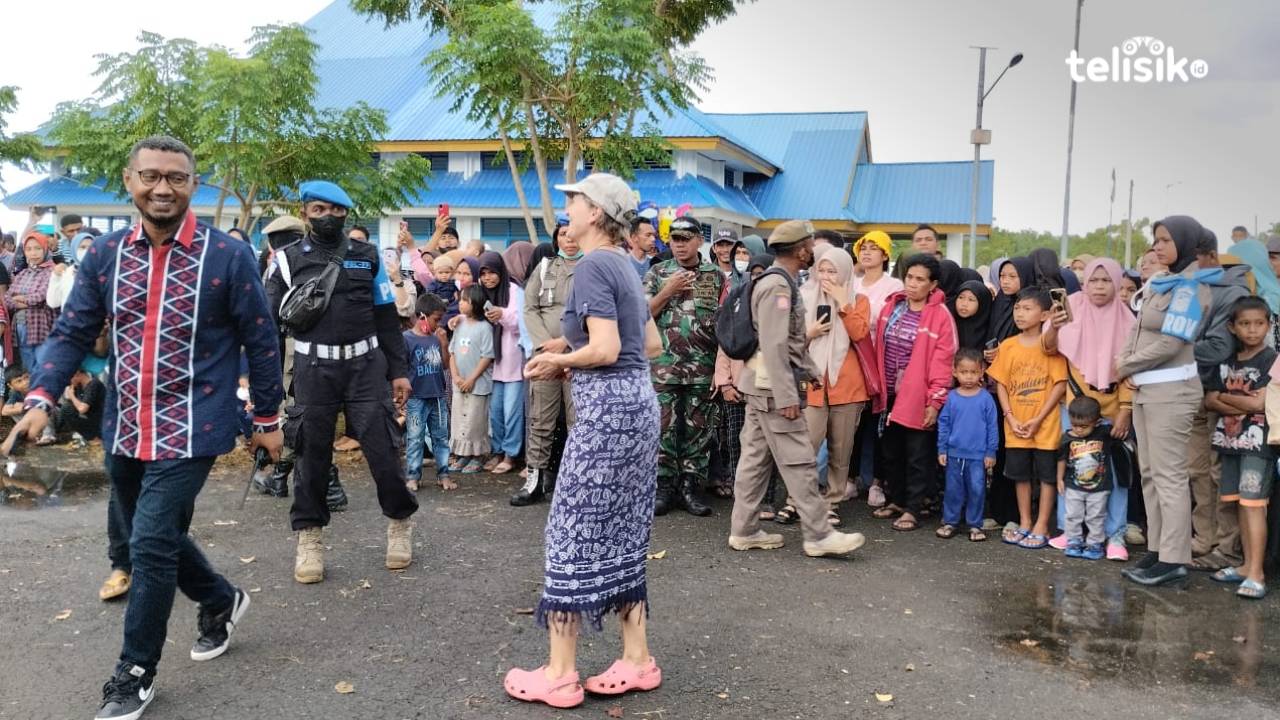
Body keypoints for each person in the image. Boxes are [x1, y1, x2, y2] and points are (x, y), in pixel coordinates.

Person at [1, 135, 285, 720]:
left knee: (150, 544)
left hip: (195, 425)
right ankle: (220, 599)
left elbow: (261, 338)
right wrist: (40, 396)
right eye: (151, 176)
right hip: (126, 423)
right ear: (130, 181)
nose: (163, 187)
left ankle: (134, 673)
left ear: (192, 186)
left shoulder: (227, 256)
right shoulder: (104, 255)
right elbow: (74, 331)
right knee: (145, 536)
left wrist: (267, 418)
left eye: (176, 178)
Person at [504, 173, 664, 710]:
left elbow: (607, 346)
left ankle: (560, 672)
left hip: (607, 413)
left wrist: (560, 360)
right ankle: (637, 659)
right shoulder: (625, 264)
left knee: (569, 532)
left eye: (574, 200)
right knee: (622, 531)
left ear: (595, 212)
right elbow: (650, 342)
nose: (567, 208)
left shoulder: (594, 264)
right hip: (639, 405)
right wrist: (566, 340)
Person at [264, 179, 417, 585]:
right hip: (314, 370)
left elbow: (387, 319)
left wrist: (398, 370)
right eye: (319, 210)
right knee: (311, 457)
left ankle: (400, 524)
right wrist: (264, 387)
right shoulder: (284, 261)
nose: (328, 217)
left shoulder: (366, 257)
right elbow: (268, 327)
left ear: (347, 214)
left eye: (336, 211)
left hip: (366, 366)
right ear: (305, 214)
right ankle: (310, 538)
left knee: (384, 452)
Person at [726, 220, 867, 557]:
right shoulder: (778, 287)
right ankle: (819, 535)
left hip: (761, 385)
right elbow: (774, 346)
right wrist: (788, 394)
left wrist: (809, 370)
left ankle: (743, 530)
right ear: (801, 249)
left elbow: (787, 345)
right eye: (810, 246)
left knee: (755, 461)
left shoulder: (778, 281)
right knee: (801, 461)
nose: (813, 251)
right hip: (773, 389)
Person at [1116, 215, 1218, 588]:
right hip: (1146, 389)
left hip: (1172, 392)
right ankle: (1158, 551)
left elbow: (1173, 342)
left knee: (1170, 476)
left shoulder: (1192, 287)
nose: (1157, 246)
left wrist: (1126, 364)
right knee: (1149, 474)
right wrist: (1124, 363)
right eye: (1155, 240)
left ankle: (1175, 559)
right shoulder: (1163, 282)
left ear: (1186, 243)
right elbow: (1138, 327)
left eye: (1164, 240)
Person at [1042, 258, 1138, 561]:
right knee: (1074, 470)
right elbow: (1049, 348)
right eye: (1094, 280)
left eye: (1106, 280)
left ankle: (1114, 535)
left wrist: (1125, 409)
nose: (1098, 286)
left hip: (1113, 409)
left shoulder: (1128, 320)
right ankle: (1070, 532)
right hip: (1077, 408)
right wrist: (1055, 327)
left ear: (1117, 283)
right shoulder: (1072, 307)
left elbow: (1131, 369)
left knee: (1113, 473)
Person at [644, 215, 724, 517]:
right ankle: (664, 487)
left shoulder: (715, 276)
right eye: (675, 239)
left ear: (699, 241)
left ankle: (691, 487)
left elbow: (724, 325)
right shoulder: (657, 273)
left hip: (702, 368)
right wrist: (668, 290)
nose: (679, 244)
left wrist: (721, 368)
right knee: (663, 428)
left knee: (698, 430)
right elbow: (642, 314)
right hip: (663, 367)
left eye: (686, 238)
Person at [870, 253, 956, 532]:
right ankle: (897, 499)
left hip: (919, 394)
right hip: (889, 393)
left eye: (920, 280)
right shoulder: (892, 307)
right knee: (891, 450)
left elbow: (943, 361)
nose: (913, 284)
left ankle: (913, 508)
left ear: (933, 285)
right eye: (909, 277)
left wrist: (935, 400)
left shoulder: (940, 316)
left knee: (918, 454)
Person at [1183, 238, 1250, 569]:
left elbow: (1219, 349)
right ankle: (1204, 538)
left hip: (1223, 397)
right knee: (1196, 471)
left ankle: (1227, 547)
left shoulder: (1232, 293)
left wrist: (1176, 347)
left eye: (1193, 258)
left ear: (1210, 255)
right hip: (1195, 392)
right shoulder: (1191, 287)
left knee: (1219, 474)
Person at [987, 288, 1067, 548]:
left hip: (1045, 425)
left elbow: (1059, 385)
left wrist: (1039, 418)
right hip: (1016, 425)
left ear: (1045, 314)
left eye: (1028, 308)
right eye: (1018, 308)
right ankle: (1024, 521)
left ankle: (1042, 524)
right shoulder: (1008, 345)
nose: (1020, 313)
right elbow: (1000, 383)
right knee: (1020, 475)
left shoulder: (1051, 349)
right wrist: (1009, 417)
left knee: (1046, 477)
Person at [1206, 296, 1275, 599]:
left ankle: (1258, 574)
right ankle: (1246, 566)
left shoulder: (1271, 359)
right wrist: (1241, 404)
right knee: (1238, 504)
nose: (1252, 330)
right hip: (1230, 442)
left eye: (1259, 323)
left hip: (1257, 446)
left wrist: (1226, 399)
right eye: (1245, 324)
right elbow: (1208, 399)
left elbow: (1261, 402)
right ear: (1232, 327)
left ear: (1268, 325)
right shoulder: (1228, 359)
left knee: (1254, 506)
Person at [798, 245, 870, 527]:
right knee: (806, 445)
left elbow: (860, 334)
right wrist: (811, 332)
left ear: (846, 273)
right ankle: (798, 500)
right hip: (813, 382)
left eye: (833, 271)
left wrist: (843, 304)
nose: (827, 276)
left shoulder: (858, 299)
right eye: (823, 270)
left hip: (847, 386)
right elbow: (791, 341)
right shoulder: (804, 296)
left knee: (841, 451)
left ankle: (831, 502)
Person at [515, 228, 580, 506]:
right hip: (544, 356)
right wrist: (545, 345)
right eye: (563, 234)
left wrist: (568, 343)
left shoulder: (592, 267)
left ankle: (579, 483)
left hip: (580, 356)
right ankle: (535, 481)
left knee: (579, 422)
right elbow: (529, 308)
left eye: (574, 233)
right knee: (540, 420)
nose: (569, 238)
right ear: (557, 239)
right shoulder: (543, 268)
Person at [851, 230, 902, 508]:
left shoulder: (894, 286)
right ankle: (849, 478)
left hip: (882, 361)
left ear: (885, 255)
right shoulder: (852, 284)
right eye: (864, 247)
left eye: (874, 248)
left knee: (879, 424)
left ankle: (877, 482)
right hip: (853, 360)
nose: (867, 252)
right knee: (852, 425)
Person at [935, 348, 999, 541]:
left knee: (977, 490)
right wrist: (942, 448)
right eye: (964, 372)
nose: (969, 377)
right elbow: (943, 424)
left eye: (973, 372)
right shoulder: (952, 397)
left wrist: (991, 452)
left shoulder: (986, 398)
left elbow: (992, 427)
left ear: (982, 372)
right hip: (954, 454)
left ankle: (975, 525)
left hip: (978, 455)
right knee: (953, 489)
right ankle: (950, 522)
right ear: (955, 372)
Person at [477, 251, 525, 475]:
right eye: (483, 273)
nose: (488, 278)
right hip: (492, 365)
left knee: (512, 411)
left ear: (501, 272)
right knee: (495, 412)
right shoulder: (481, 293)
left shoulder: (514, 291)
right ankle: (498, 451)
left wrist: (502, 314)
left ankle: (511, 455)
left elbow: (520, 323)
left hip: (514, 362)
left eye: (492, 272)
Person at [403, 294, 452, 492]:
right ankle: (413, 476)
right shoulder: (407, 339)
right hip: (416, 398)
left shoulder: (436, 338)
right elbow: (401, 368)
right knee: (415, 437)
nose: (438, 324)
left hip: (438, 395)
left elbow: (446, 365)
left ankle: (444, 474)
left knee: (441, 437)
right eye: (436, 319)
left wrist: (444, 344)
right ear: (422, 316)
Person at [1057, 396, 1113, 560]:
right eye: (1074, 425)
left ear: (1096, 422)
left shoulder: (1103, 433)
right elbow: (1061, 459)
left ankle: (1095, 543)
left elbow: (1120, 429)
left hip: (1099, 486)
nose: (1079, 430)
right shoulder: (1068, 437)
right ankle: (1074, 540)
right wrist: (1059, 479)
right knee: (1073, 515)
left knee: (1096, 516)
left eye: (1084, 426)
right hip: (1074, 485)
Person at [448, 285, 495, 475]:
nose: (460, 304)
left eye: (464, 301)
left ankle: (477, 456)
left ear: (475, 303)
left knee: (476, 421)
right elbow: (452, 352)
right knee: (459, 420)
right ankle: (462, 454)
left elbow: (487, 356)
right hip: (459, 384)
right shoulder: (459, 324)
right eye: (460, 300)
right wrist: (456, 376)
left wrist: (472, 378)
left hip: (478, 384)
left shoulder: (485, 328)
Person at [6, 230, 57, 371]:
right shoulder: (23, 273)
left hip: (41, 326)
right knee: (27, 367)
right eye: (28, 249)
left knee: (43, 366)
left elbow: (41, 296)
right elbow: (7, 298)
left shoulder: (52, 271)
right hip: (21, 327)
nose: (33, 253)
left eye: (37, 248)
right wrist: (23, 301)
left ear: (45, 249)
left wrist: (19, 300)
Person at [54, 367, 106, 444]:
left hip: (100, 421)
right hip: (89, 418)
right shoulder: (79, 386)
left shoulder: (93, 384)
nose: (69, 381)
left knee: (67, 408)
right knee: (63, 408)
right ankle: (57, 431)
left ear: (77, 374)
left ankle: (94, 438)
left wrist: (72, 395)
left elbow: (82, 409)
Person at [47, 231, 95, 309]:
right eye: (82, 247)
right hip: (68, 320)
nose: (86, 251)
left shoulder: (101, 273)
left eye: (90, 247)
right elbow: (53, 303)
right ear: (74, 249)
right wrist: (55, 277)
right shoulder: (66, 272)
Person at [950, 279, 993, 352]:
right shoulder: (950, 324)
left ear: (982, 304)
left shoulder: (990, 331)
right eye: (961, 297)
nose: (964, 304)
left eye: (971, 299)